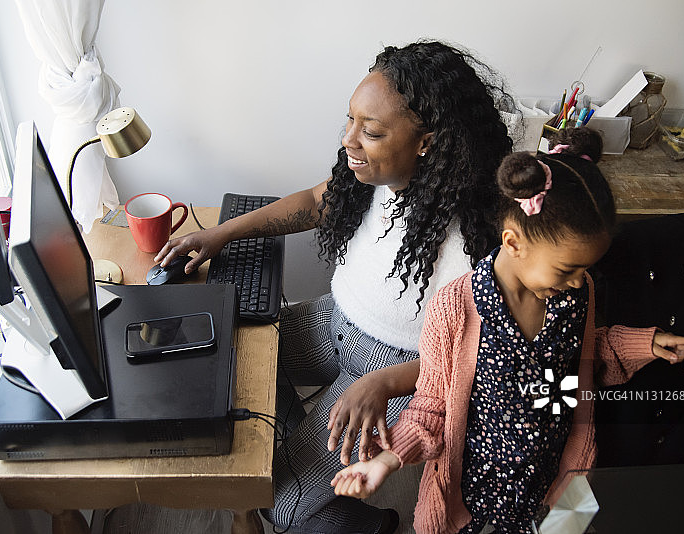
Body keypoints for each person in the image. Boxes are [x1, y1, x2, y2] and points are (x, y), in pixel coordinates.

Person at [154, 40, 515, 533]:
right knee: (226, 353)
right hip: (333, 321)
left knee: (278, 503)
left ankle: (368, 523)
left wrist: (381, 384)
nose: (349, 140)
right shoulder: (370, 176)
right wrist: (222, 234)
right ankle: (303, 447)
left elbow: (471, 358)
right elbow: (311, 202)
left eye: (371, 131)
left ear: (427, 142)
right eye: (350, 120)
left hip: (398, 370)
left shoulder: (481, 238)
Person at [331, 128, 684, 533]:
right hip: (475, 487)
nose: (578, 280)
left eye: (585, 269)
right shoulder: (455, 308)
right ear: (512, 242)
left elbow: (581, 357)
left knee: (569, 527)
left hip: (561, 474)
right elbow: (432, 406)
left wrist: (645, 343)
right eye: (567, 269)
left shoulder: (577, 293)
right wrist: (386, 461)